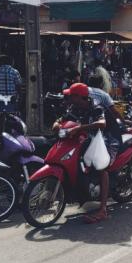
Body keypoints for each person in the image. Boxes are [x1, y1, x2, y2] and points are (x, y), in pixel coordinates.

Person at [54, 83, 120, 224]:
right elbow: (64, 118)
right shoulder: (74, 107)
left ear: (79, 97)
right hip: (90, 137)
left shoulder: (96, 107)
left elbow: (102, 124)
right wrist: (57, 123)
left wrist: (80, 127)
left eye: (71, 95)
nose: (69, 98)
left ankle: (103, 209)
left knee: (101, 166)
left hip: (108, 137)